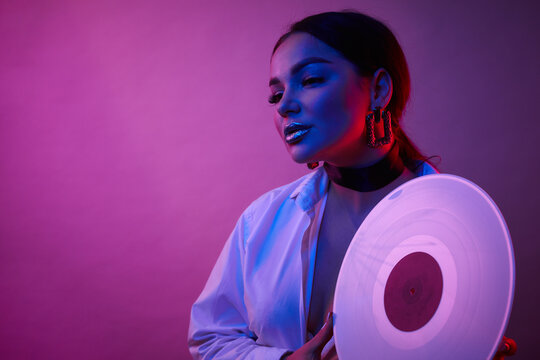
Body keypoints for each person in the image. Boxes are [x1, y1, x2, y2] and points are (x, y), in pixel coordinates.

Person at [188, 10, 513, 360]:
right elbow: (210, 338)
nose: (284, 105)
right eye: (275, 94)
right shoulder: (260, 221)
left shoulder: (460, 222)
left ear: (378, 89)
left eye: (310, 79)